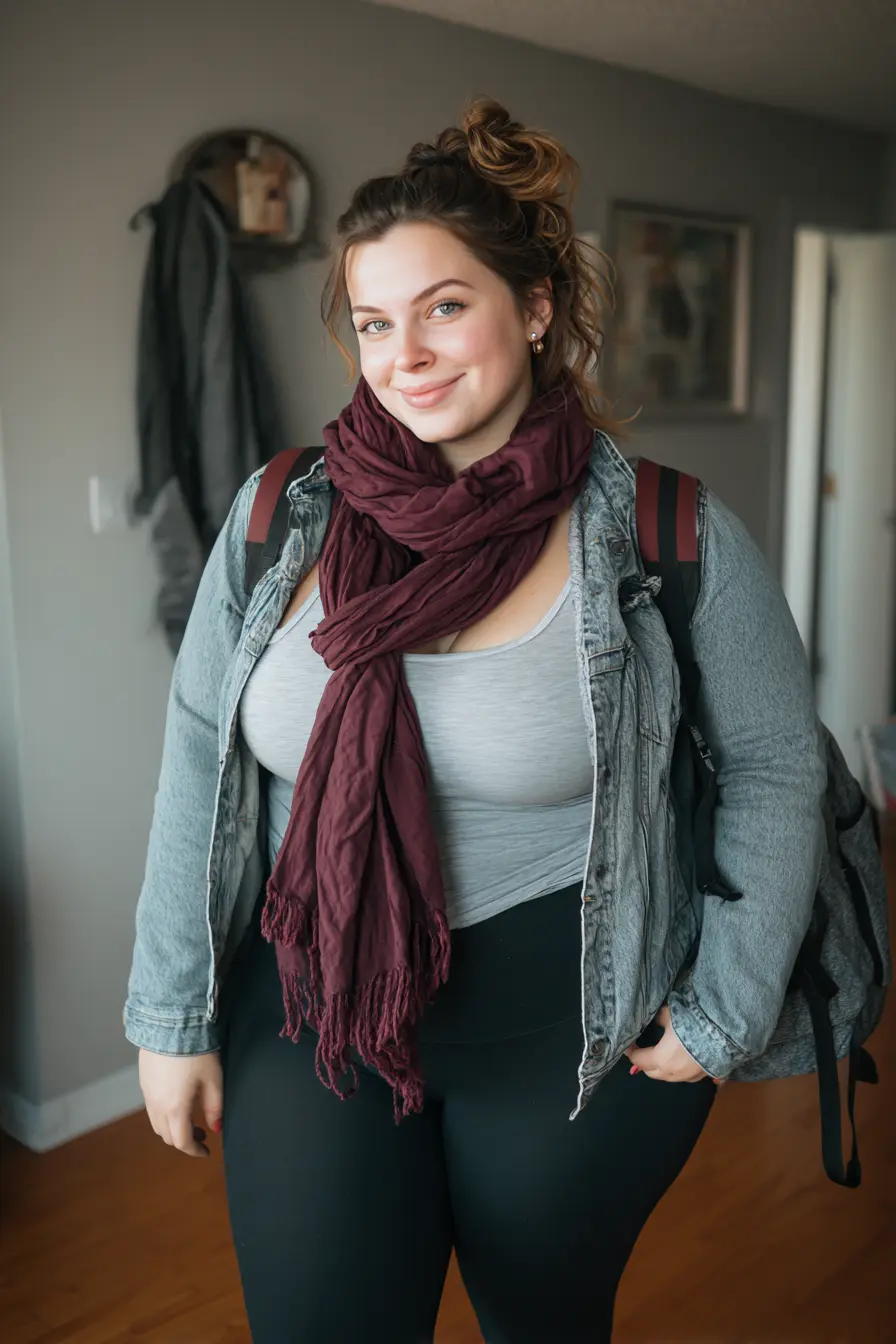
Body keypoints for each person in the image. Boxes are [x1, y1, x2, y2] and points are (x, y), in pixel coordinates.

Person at [125, 98, 826, 1343]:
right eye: (376, 321)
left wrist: (722, 1005)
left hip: (568, 1022)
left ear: (536, 307)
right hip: (315, 997)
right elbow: (199, 751)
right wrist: (169, 1014)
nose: (406, 355)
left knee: (540, 1322)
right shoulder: (281, 510)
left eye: (445, 306)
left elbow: (772, 768)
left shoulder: (669, 536)